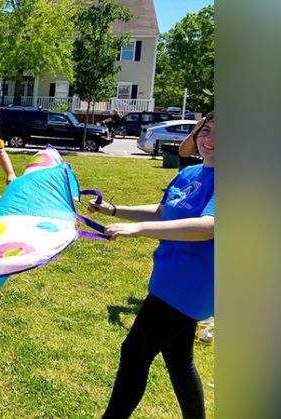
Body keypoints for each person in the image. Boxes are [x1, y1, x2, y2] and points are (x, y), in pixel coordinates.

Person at [90, 112, 215, 418]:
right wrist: (113, 210)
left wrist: (139, 230)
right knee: (179, 360)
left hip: (190, 287)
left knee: (134, 352)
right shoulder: (189, 174)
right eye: (206, 130)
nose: (209, 139)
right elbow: (162, 212)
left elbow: (208, 226)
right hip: (169, 280)